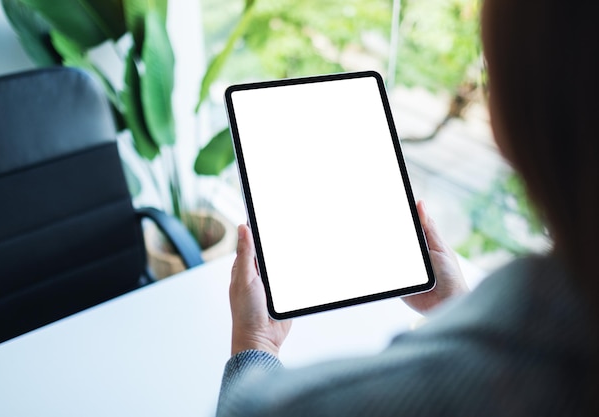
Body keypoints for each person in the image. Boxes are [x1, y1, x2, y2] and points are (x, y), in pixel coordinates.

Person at [216, 0, 599, 415]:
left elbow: (249, 411)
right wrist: (456, 306)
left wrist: (254, 342)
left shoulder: (350, 401)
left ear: (502, 125)